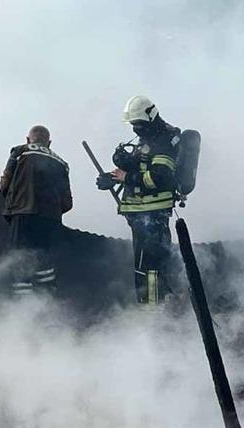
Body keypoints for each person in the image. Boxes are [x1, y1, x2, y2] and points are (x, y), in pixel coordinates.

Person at [96, 95, 180, 305]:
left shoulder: (164, 141)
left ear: (150, 117)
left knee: (149, 267)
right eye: (133, 124)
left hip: (153, 212)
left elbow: (160, 177)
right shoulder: (149, 138)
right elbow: (140, 168)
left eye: (137, 124)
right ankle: (160, 306)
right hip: (142, 213)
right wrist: (113, 178)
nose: (135, 128)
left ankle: (152, 309)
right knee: (150, 265)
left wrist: (127, 177)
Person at [0, 125, 72, 295]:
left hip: (22, 215)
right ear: (49, 143)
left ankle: (22, 305)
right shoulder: (61, 163)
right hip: (51, 220)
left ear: (27, 139)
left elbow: (4, 185)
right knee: (45, 262)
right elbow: (67, 203)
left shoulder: (19, 151)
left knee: (19, 259)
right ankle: (47, 300)